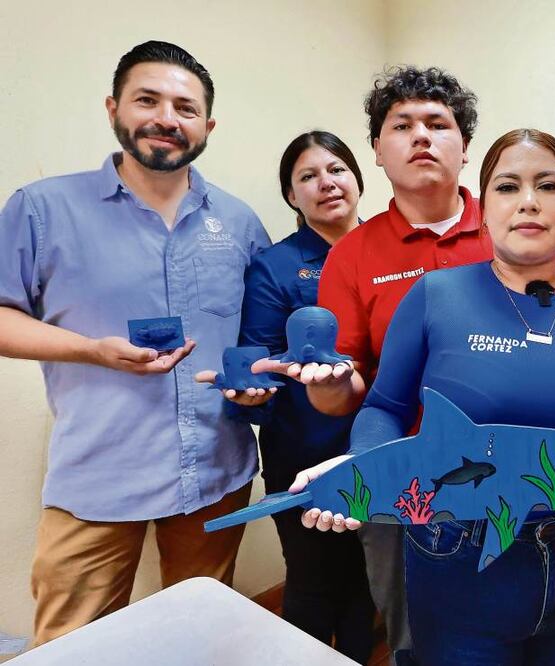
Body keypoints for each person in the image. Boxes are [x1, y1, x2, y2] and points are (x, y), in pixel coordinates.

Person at [289, 128, 555, 665]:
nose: (528, 201)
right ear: (485, 213)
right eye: (508, 186)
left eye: (548, 185)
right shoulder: (435, 296)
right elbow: (385, 409)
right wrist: (368, 466)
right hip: (455, 552)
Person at [0, 41, 269, 645]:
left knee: (204, 633)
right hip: (98, 475)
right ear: (114, 107)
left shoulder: (241, 221)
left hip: (216, 472)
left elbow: (256, 339)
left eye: (186, 107)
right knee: (73, 645)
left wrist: (257, 387)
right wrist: (88, 349)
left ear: (208, 126)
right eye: (148, 99)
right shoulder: (43, 208)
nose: (167, 119)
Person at [254, 66, 491, 657]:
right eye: (401, 125)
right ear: (379, 154)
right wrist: (327, 383)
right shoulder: (354, 254)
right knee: (414, 636)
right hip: (402, 479)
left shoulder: (509, 223)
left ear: (463, 148)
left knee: (508, 626)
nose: (420, 136)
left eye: (438, 124)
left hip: (501, 471)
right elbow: (348, 388)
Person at [196, 131, 375, 661]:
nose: (326, 183)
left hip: (381, 443)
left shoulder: (388, 249)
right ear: (292, 197)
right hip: (304, 450)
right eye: (308, 176)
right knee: (314, 581)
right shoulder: (277, 266)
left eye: (337, 169)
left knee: (370, 578)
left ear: (357, 178)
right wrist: (251, 394)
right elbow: (256, 361)